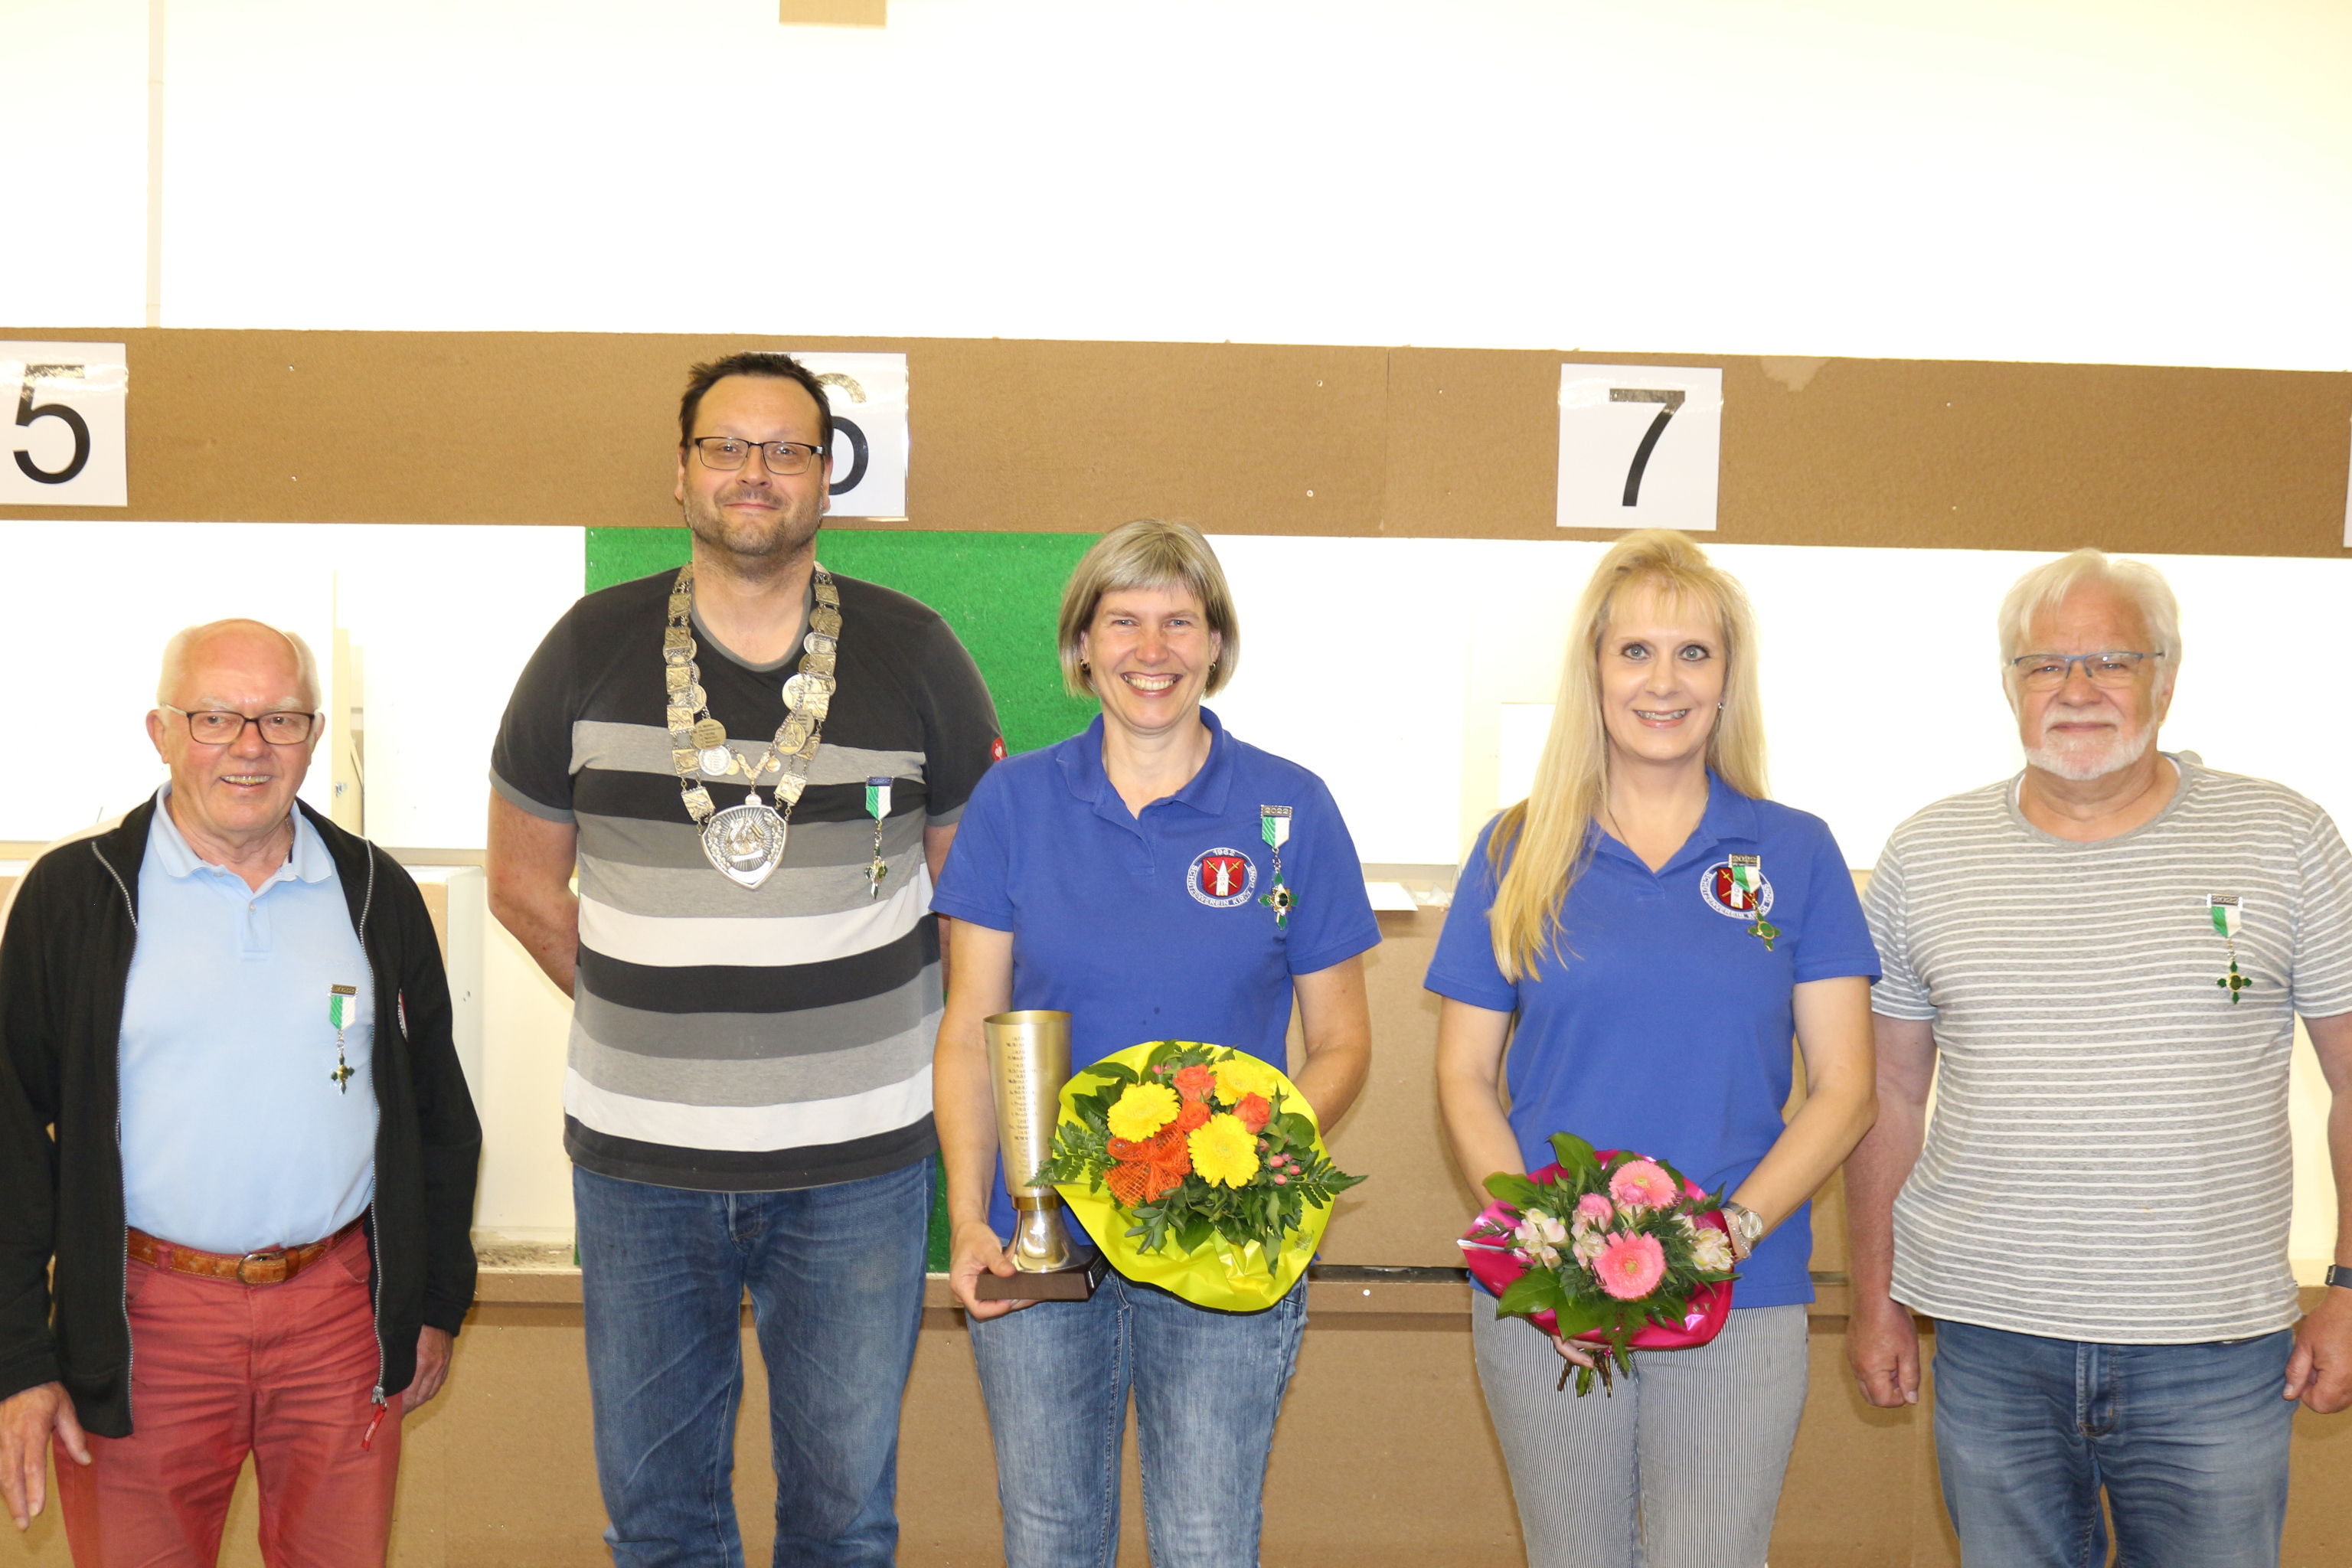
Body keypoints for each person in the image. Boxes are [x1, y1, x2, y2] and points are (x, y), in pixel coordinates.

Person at [486, 351, 1001, 1568]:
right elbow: (521, 883)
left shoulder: (916, 652)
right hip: (640, 1167)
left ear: (827, 476)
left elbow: (972, 909)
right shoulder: (586, 647)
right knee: (660, 1521)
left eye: (786, 450)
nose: (754, 472)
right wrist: (651, 1008)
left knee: (842, 1522)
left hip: (857, 1168)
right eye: (726, 447)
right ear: (682, 472)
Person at [1844, 548, 2352, 1567]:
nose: (2077, 689)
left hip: (2215, 1351)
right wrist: (1875, 1296)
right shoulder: (1925, 855)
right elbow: (1888, 1095)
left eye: (2113, 660)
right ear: (2009, 685)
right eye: (2044, 664)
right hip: (1990, 1343)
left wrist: (2350, 1286)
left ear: (2168, 677)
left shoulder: (2285, 838)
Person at [931, 518, 1378, 1568]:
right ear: (1081, 645)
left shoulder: (1292, 808)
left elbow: (1344, 1042)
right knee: (1050, 1538)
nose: (1151, 648)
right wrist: (966, 1217)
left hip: (1223, 1238)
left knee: (1206, 1541)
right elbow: (968, 1034)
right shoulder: (1013, 803)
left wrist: (1242, 1164)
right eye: (1123, 620)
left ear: (1216, 644)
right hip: (1039, 1231)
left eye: (1180, 621)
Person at [1427, 530, 1878, 1568]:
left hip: (1741, 1292)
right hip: (1549, 1299)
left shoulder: (1796, 850)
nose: (1663, 681)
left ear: (1728, 678)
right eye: (1635, 651)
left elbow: (1847, 1089)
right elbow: (1462, 1075)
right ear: (1593, 670)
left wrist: (1728, 1236)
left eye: (1693, 653)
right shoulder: (1514, 848)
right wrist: (1543, 1251)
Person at [0, 619, 481, 1567]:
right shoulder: (76, 895)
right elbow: (10, 1135)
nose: (251, 747)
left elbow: (438, 1116)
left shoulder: (374, 891)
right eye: (216, 716)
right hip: (144, 1323)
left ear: (313, 735)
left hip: (338, 1318)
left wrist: (433, 1298)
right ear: (161, 731)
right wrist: (18, 1354)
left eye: (281, 718)